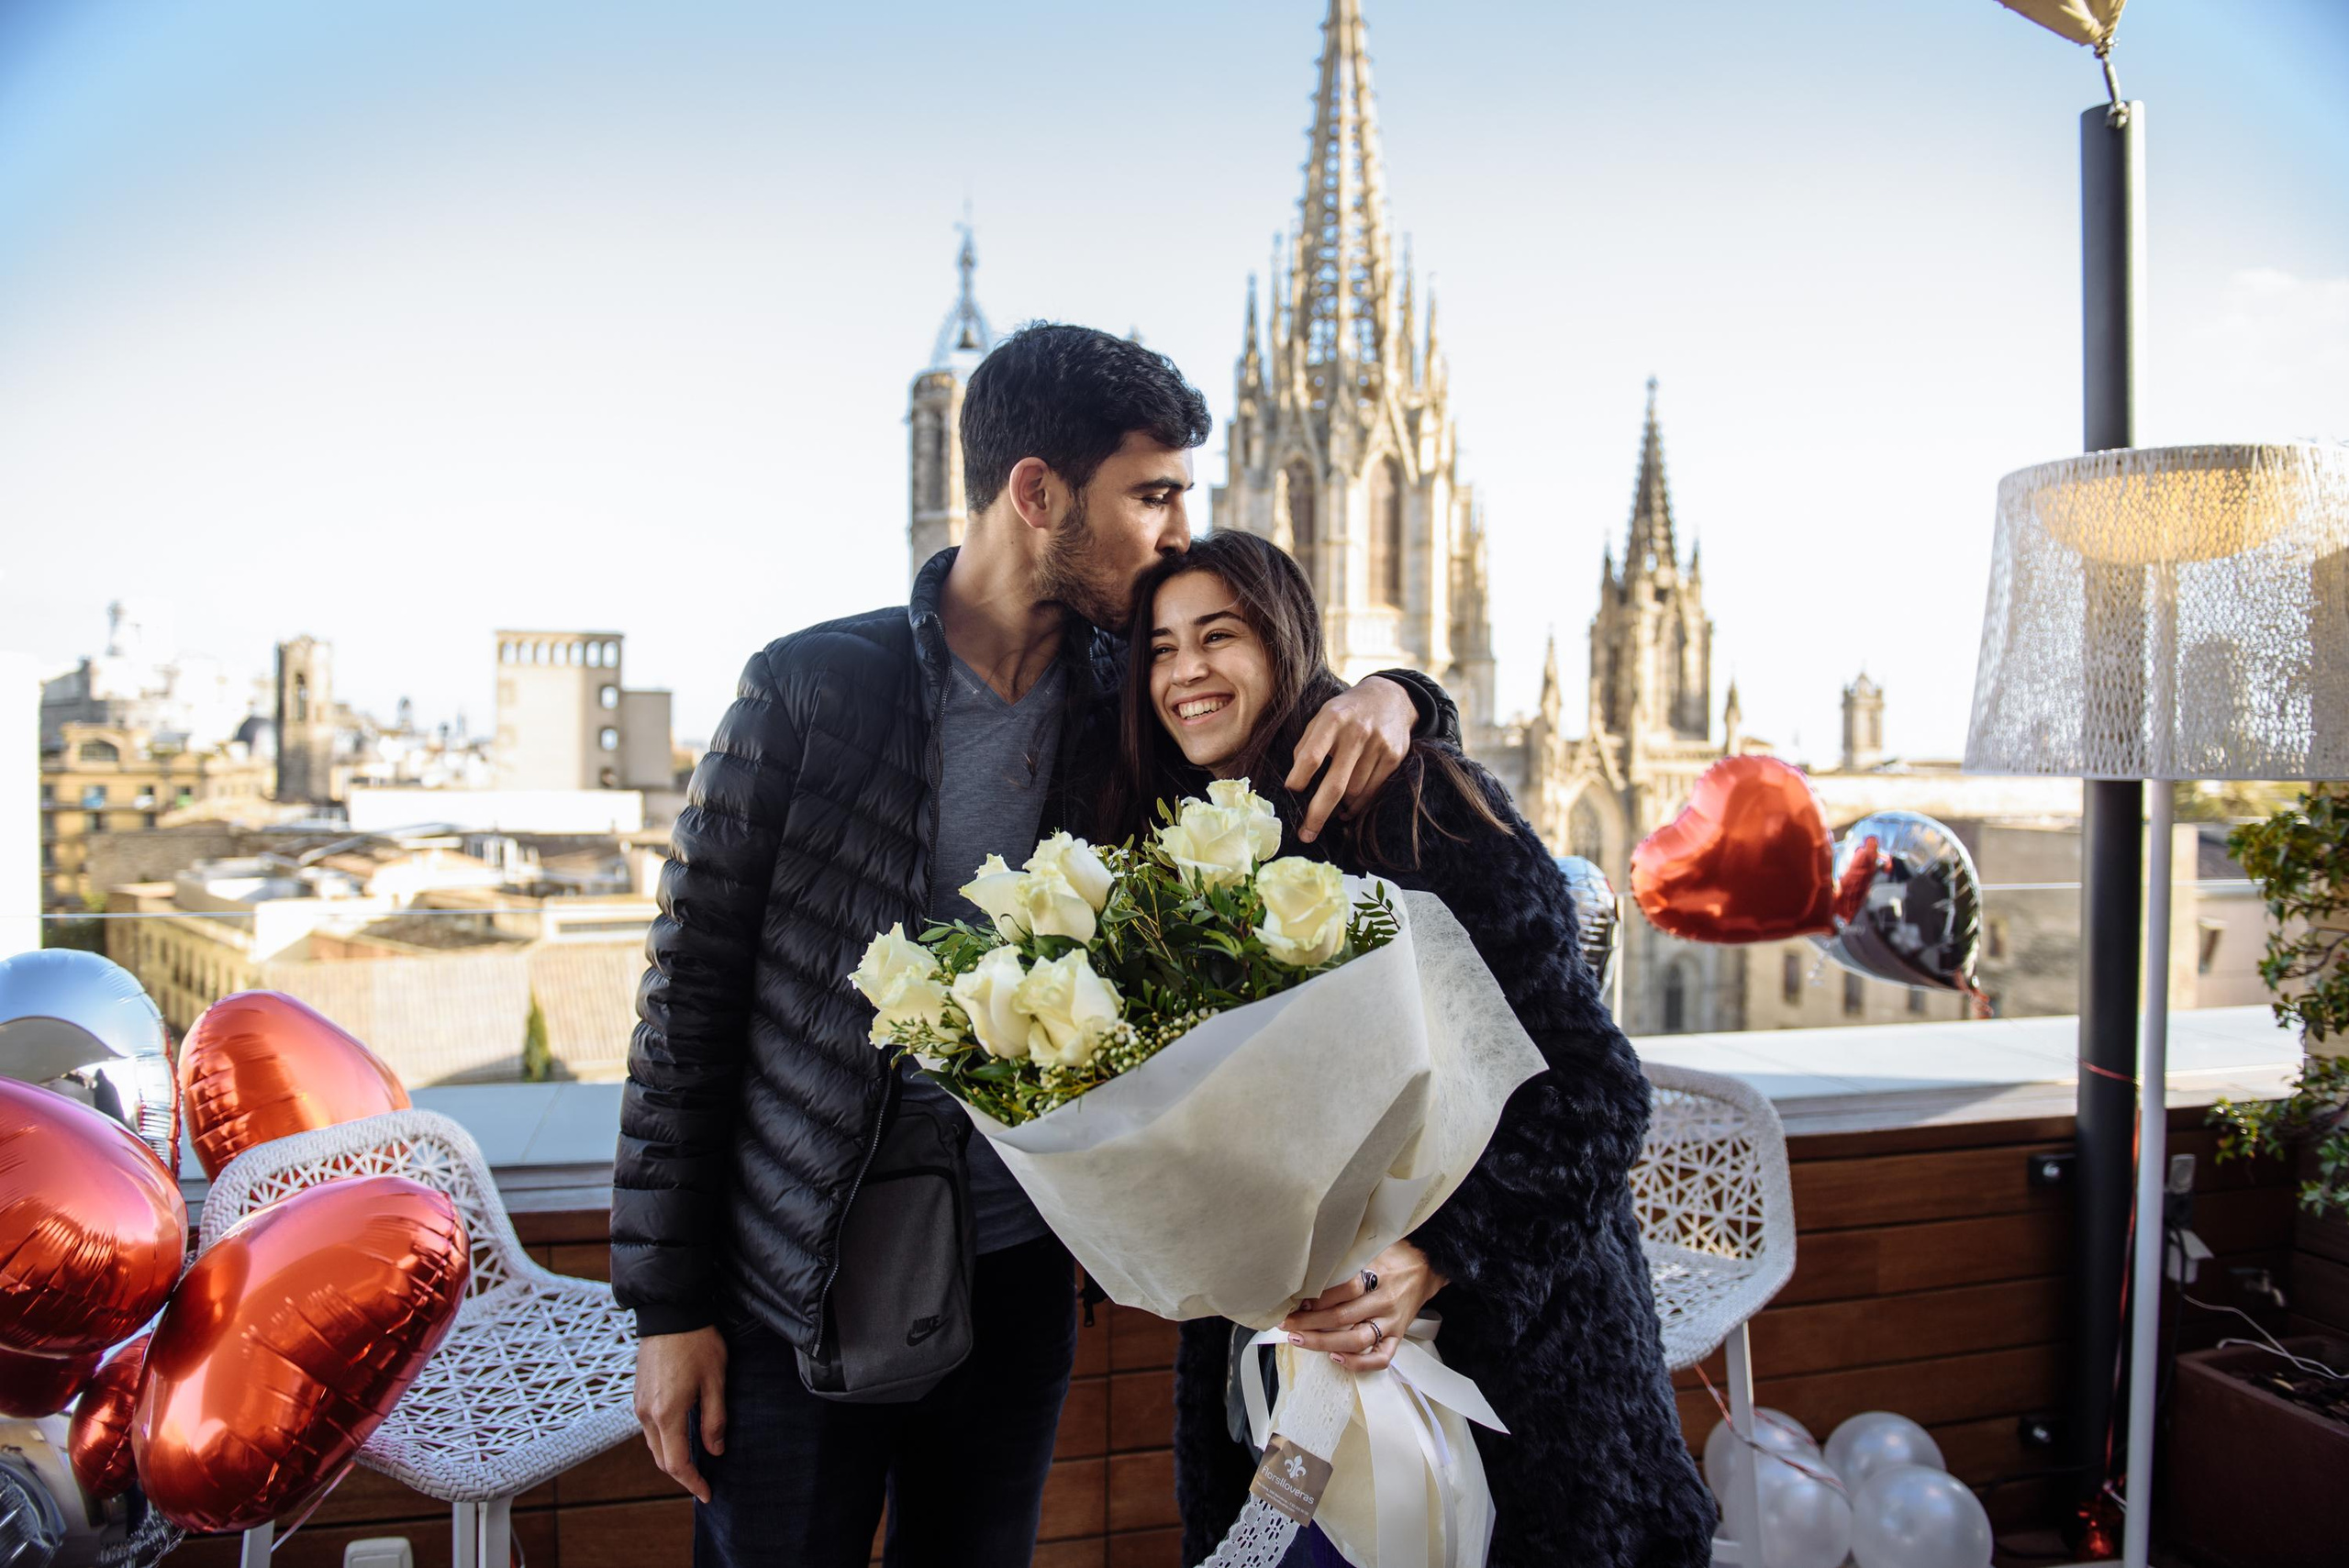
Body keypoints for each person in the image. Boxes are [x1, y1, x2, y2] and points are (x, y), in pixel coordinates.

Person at [614, 324, 1458, 1568]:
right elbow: (687, 1007)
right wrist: (670, 1310)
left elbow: (1294, 698)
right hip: (797, 1286)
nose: (1177, 532)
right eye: (1153, 494)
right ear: (1036, 492)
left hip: (1016, 1286)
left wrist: (1402, 697)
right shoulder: (808, 689)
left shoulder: (1134, 697)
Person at [1107, 530, 1717, 1568]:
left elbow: (1593, 1091)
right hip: (1286, 1373)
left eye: (1219, 636)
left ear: (1288, 641)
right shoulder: (1180, 841)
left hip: (1507, 1375)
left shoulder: (1420, 804)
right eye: (1160, 650)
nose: (1186, 671)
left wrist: (1431, 1258)